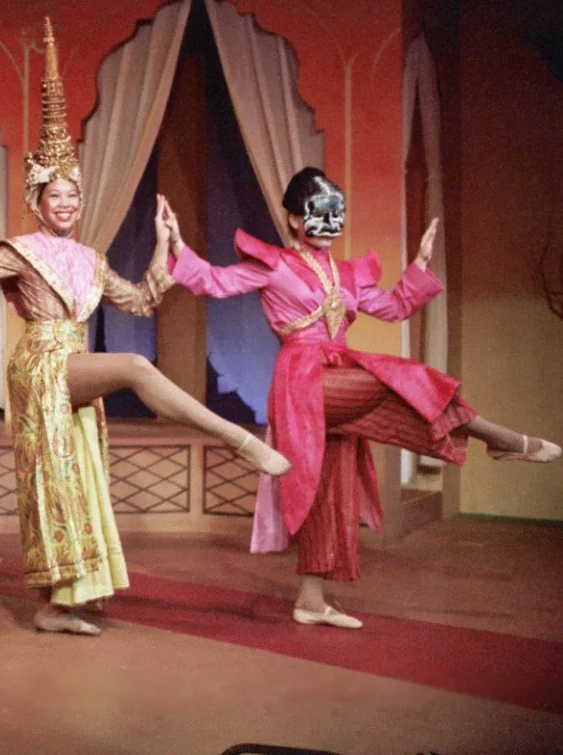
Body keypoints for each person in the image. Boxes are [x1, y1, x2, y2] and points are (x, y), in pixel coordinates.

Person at [0, 18, 289, 635]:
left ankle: (59, 603)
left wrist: (163, 245)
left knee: (73, 483)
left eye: (74, 198)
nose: (67, 206)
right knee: (131, 369)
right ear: (37, 200)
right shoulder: (18, 250)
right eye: (56, 198)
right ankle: (239, 441)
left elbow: (142, 301)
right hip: (41, 364)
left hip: (72, 363)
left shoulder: (90, 259)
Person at [163, 167, 560, 628]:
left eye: (338, 213)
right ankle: (501, 438)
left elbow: (393, 308)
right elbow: (214, 281)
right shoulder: (273, 264)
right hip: (302, 382)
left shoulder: (348, 274)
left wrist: (421, 267)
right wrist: (175, 243)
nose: (331, 222)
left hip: (339, 372)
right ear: (294, 219)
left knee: (330, 490)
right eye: (320, 213)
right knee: (402, 378)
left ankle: (310, 601)